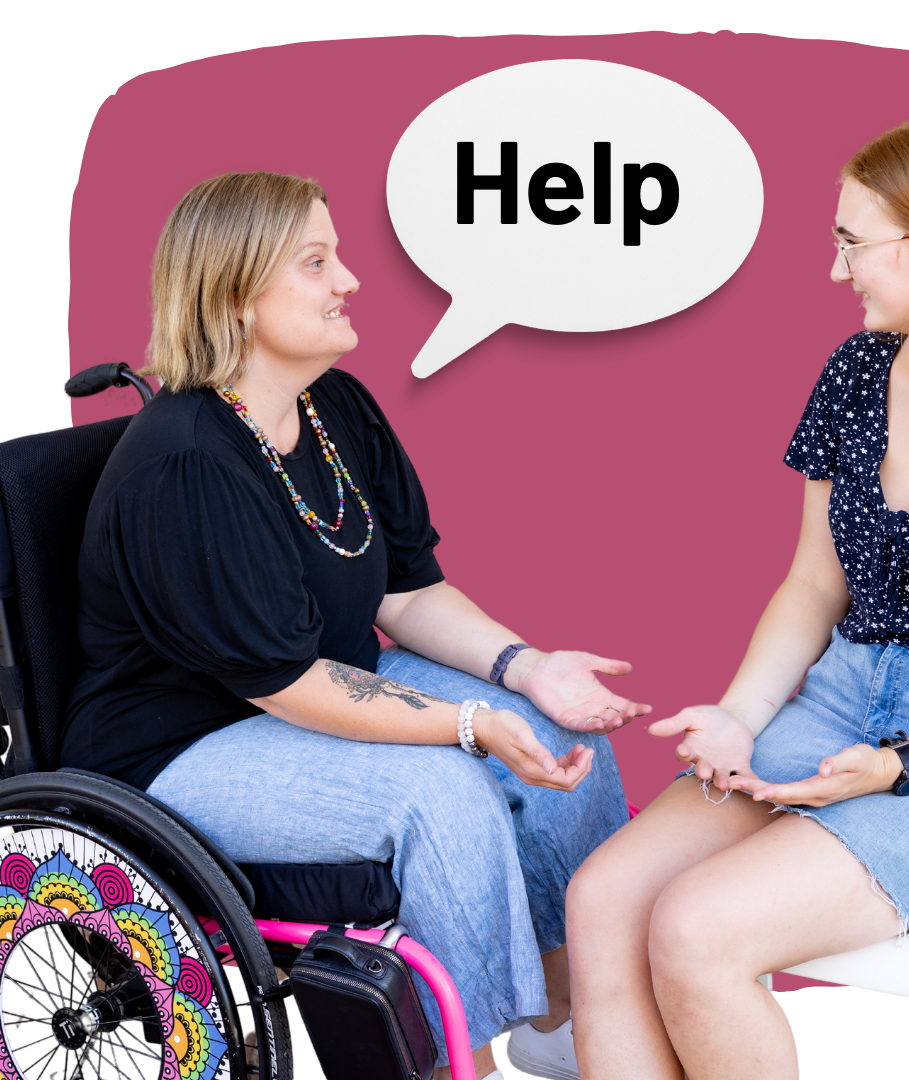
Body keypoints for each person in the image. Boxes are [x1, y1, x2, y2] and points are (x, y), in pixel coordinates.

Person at [61, 171, 651, 1080]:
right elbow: (289, 684)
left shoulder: (334, 409)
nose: (351, 281)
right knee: (445, 788)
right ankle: (462, 1060)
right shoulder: (185, 466)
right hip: (179, 748)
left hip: (297, 703)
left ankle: (570, 1027)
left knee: (549, 722)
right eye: (317, 262)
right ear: (236, 296)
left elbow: (406, 597)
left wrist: (523, 670)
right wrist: (463, 724)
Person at [566, 119, 909, 1080]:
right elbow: (813, 583)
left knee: (697, 929)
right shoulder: (854, 375)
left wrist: (898, 765)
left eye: (853, 242)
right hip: (843, 695)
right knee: (604, 896)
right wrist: (737, 714)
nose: (836, 267)